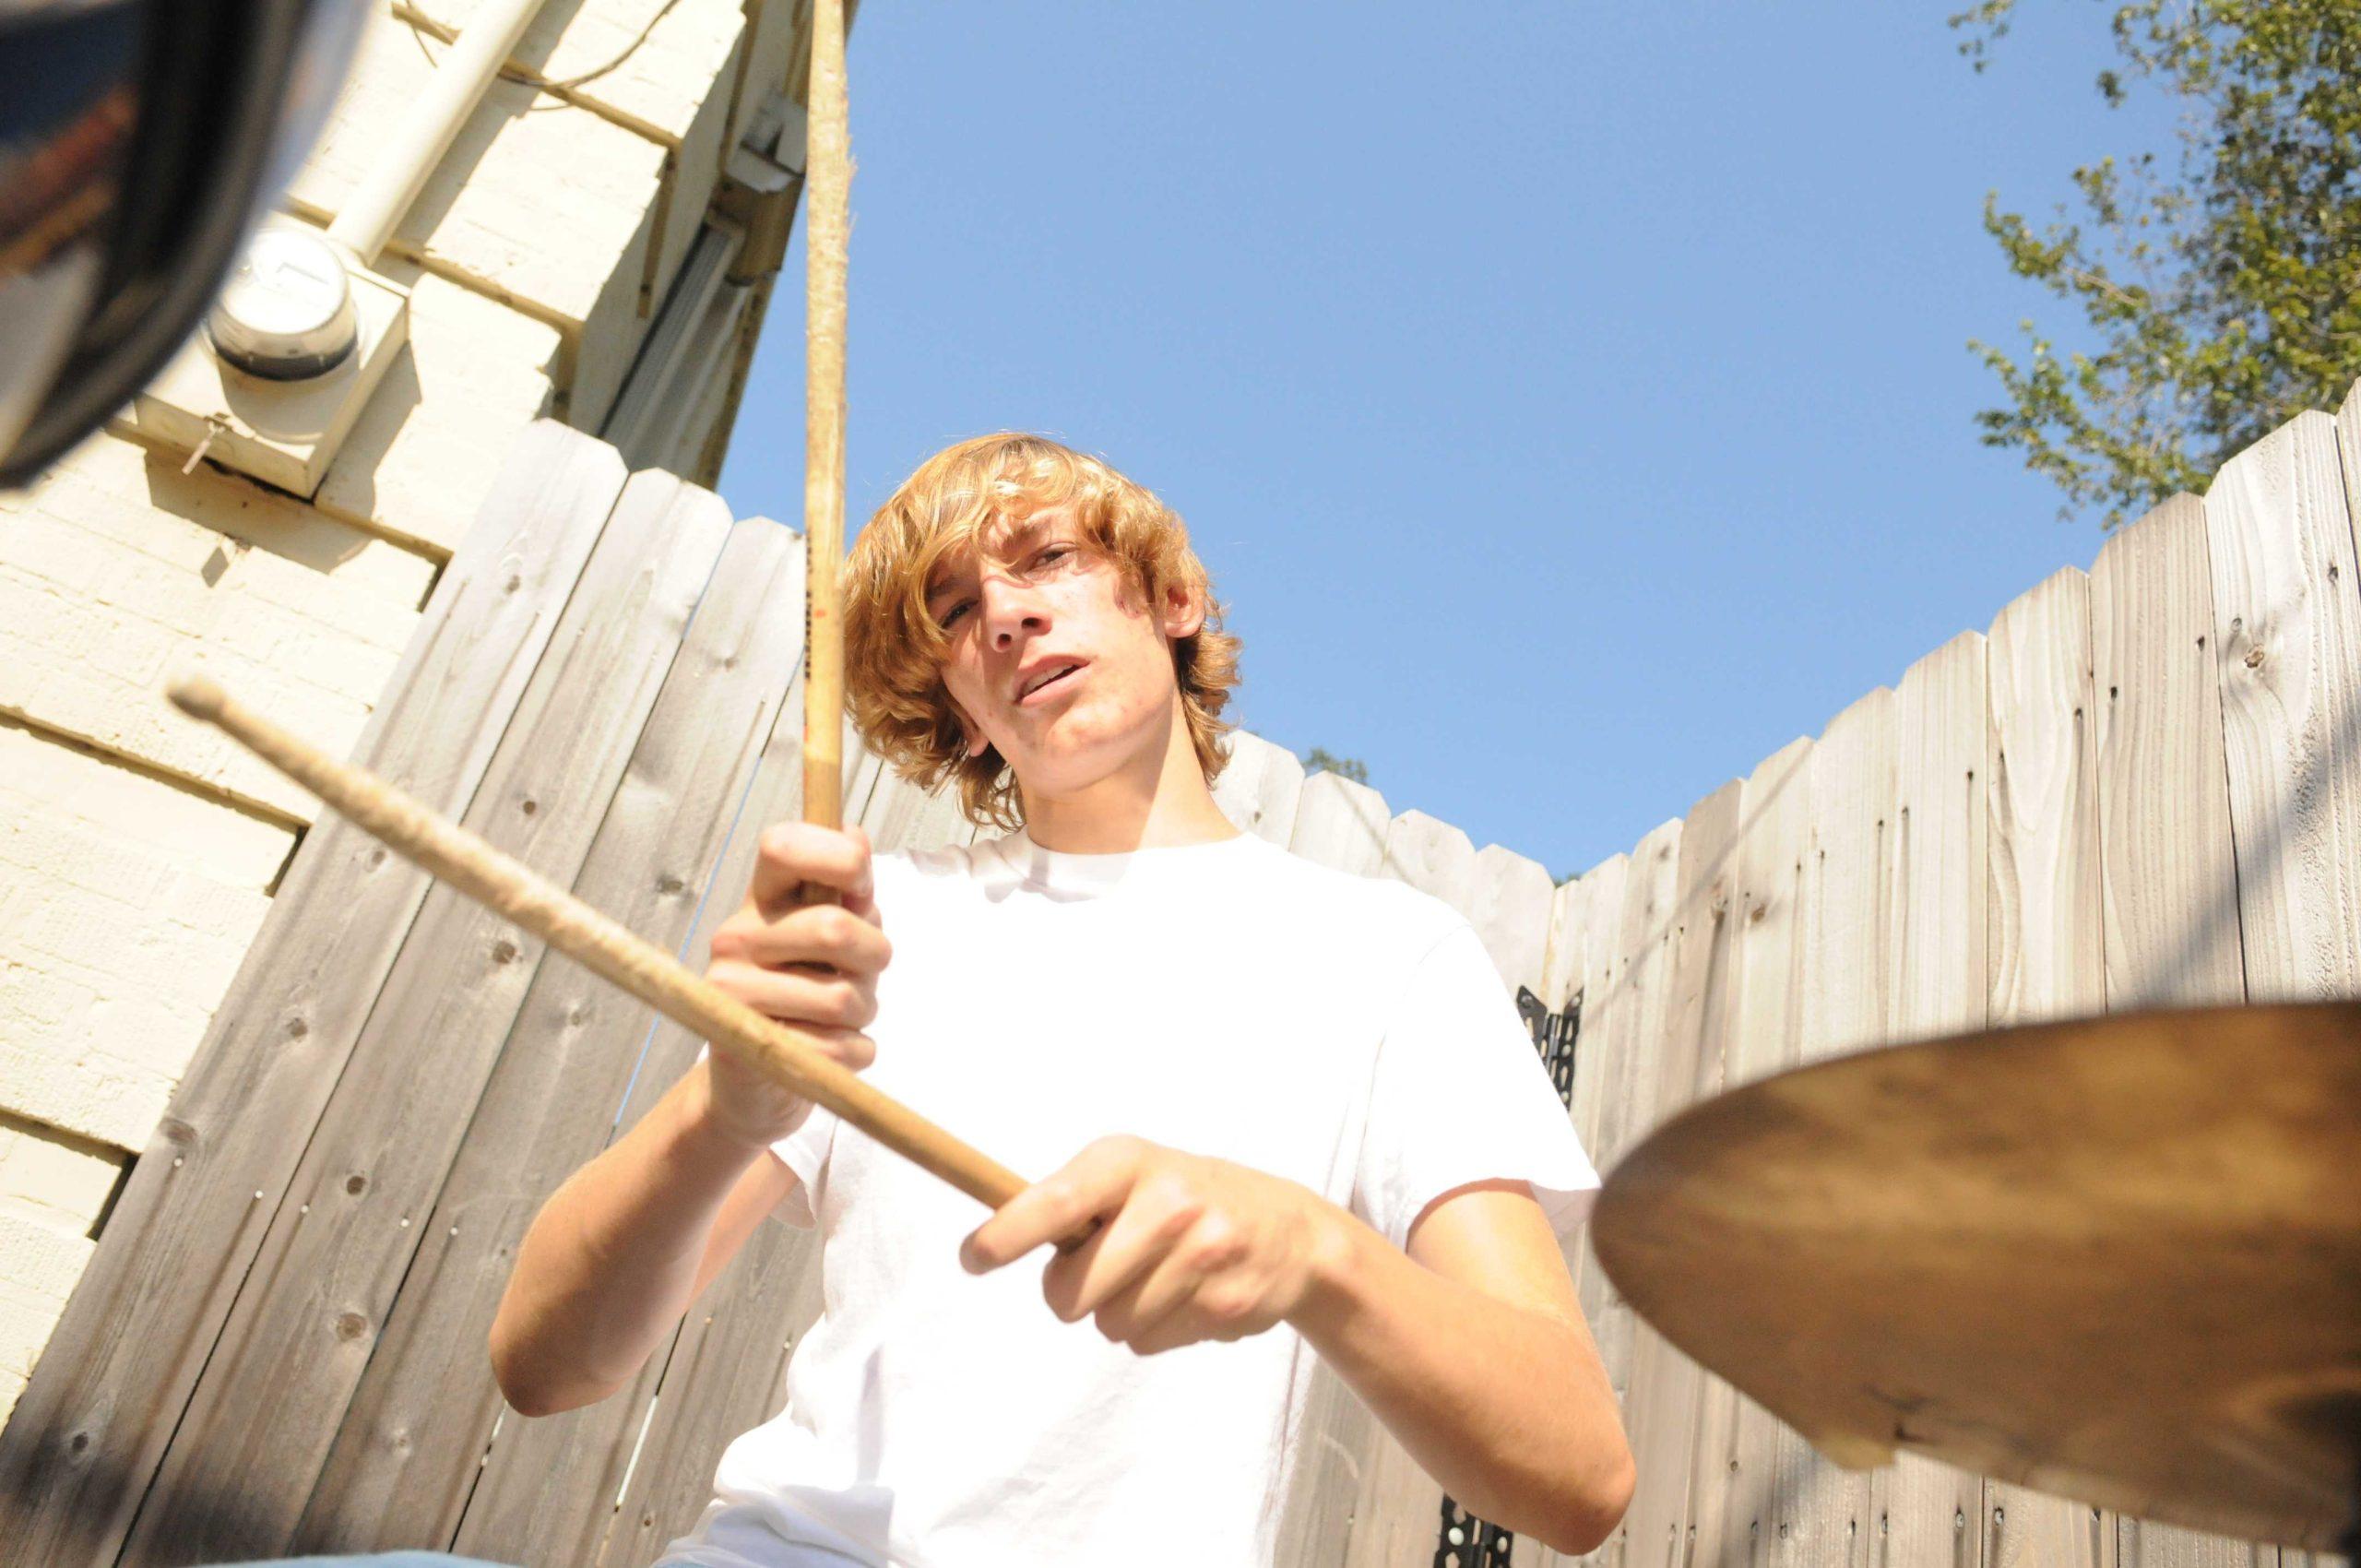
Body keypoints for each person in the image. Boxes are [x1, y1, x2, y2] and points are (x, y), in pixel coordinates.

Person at [485, 434, 1636, 1567]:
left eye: (1044, 558)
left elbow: (1579, 1474)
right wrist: (723, 1112)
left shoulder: (1391, 956)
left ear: (1172, 596)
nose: (1001, 612)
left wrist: (1315, 1251)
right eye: (951, 609)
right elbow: (543, 1365)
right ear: (958, 703)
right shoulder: (874, 933)